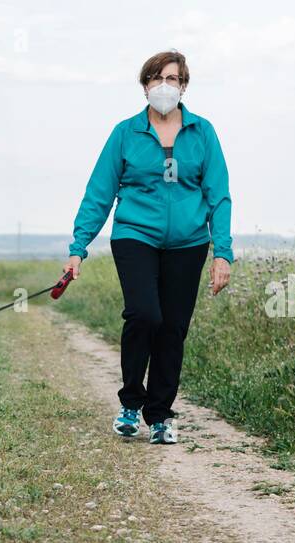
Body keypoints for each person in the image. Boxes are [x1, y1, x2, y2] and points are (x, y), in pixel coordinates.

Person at [64, 50, 232, 444]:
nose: (164, 86)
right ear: (144, 87)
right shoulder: (125, 133)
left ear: (184, 86)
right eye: (156, 79)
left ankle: (159, 416)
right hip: (135, 235)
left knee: (173, 328)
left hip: (189, 242)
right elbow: (99, 194)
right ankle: (129, 403)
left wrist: (222, 252)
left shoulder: (202, 132)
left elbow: (219, 195)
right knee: (144, 315)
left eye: (172, 79)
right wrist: (78, 247)